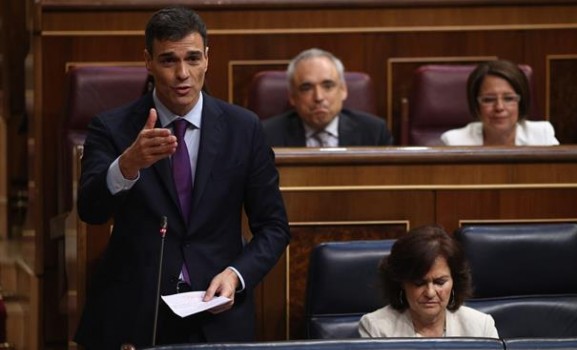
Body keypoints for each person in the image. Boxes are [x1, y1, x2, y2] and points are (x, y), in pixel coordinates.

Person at [74, 7, 290, 349]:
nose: (182, 73)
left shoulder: (244, 128)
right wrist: (127, 165)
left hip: (217, 309)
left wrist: (236, 275)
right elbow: (90, 211)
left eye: (192, 58)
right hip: (134, 313)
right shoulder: (112, 128)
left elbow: (274, 227)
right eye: (168, 60)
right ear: (148, 61)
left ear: (207, 58)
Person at [359, 225, 499, 338]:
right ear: (401, 282)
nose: (430, 293)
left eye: (439, 282)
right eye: (419, 283)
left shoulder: (481, 327)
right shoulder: (376, 329)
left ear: (454, 281)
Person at [262, 48, 393, 147]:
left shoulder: (374, 133)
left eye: (328, 86)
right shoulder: (267, 136)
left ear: (343, 90)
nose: (318, 97)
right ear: (292, 97)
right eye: (306, 88)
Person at [440, 60, 559, 146]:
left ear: (520, 102)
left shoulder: (542, 136)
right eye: (489, 99)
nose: (499, 107)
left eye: (508, 98)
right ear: (476, 104)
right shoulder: (455, 142)